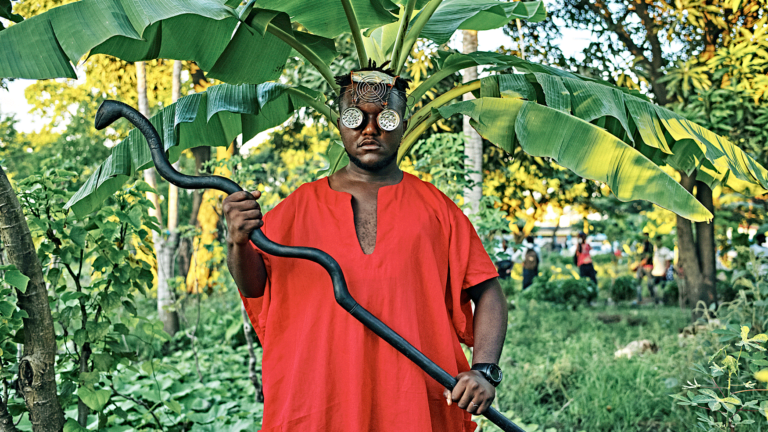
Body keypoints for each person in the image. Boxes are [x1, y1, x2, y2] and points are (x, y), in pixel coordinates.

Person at [223, 63, 507, 432]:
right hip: (316, 404)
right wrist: (237, 239)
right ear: (340, 123)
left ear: (403, 125)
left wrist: (485, 371)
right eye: (356, 117)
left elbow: (489, 291)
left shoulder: (437, 209)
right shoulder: (297, 207)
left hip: (416, 405)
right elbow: (254, 287)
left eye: (385, 119)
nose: (369, 130)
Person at [636, 234, 654, 302]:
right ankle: (639, 299)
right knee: (638, 282)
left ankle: (653, 298)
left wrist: (640, 264)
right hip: (641, 266)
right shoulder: (641, 245)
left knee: (650, 283)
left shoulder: (649, 245)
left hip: (648, 266)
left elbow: (647, 257)